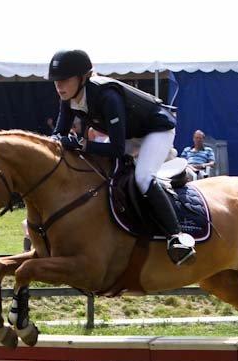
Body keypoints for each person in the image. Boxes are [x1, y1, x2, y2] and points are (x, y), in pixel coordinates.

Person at [48, 49, 193, 265]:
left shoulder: (107, 96)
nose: (59, 85)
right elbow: (57, 137)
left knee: (143, 177)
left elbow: (115, 149)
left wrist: (81, 143)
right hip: (129, 135)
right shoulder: (68, 98)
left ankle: (176, 237)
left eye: (64, 80)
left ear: (83, 78)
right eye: (56, 81)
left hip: (155, 130)